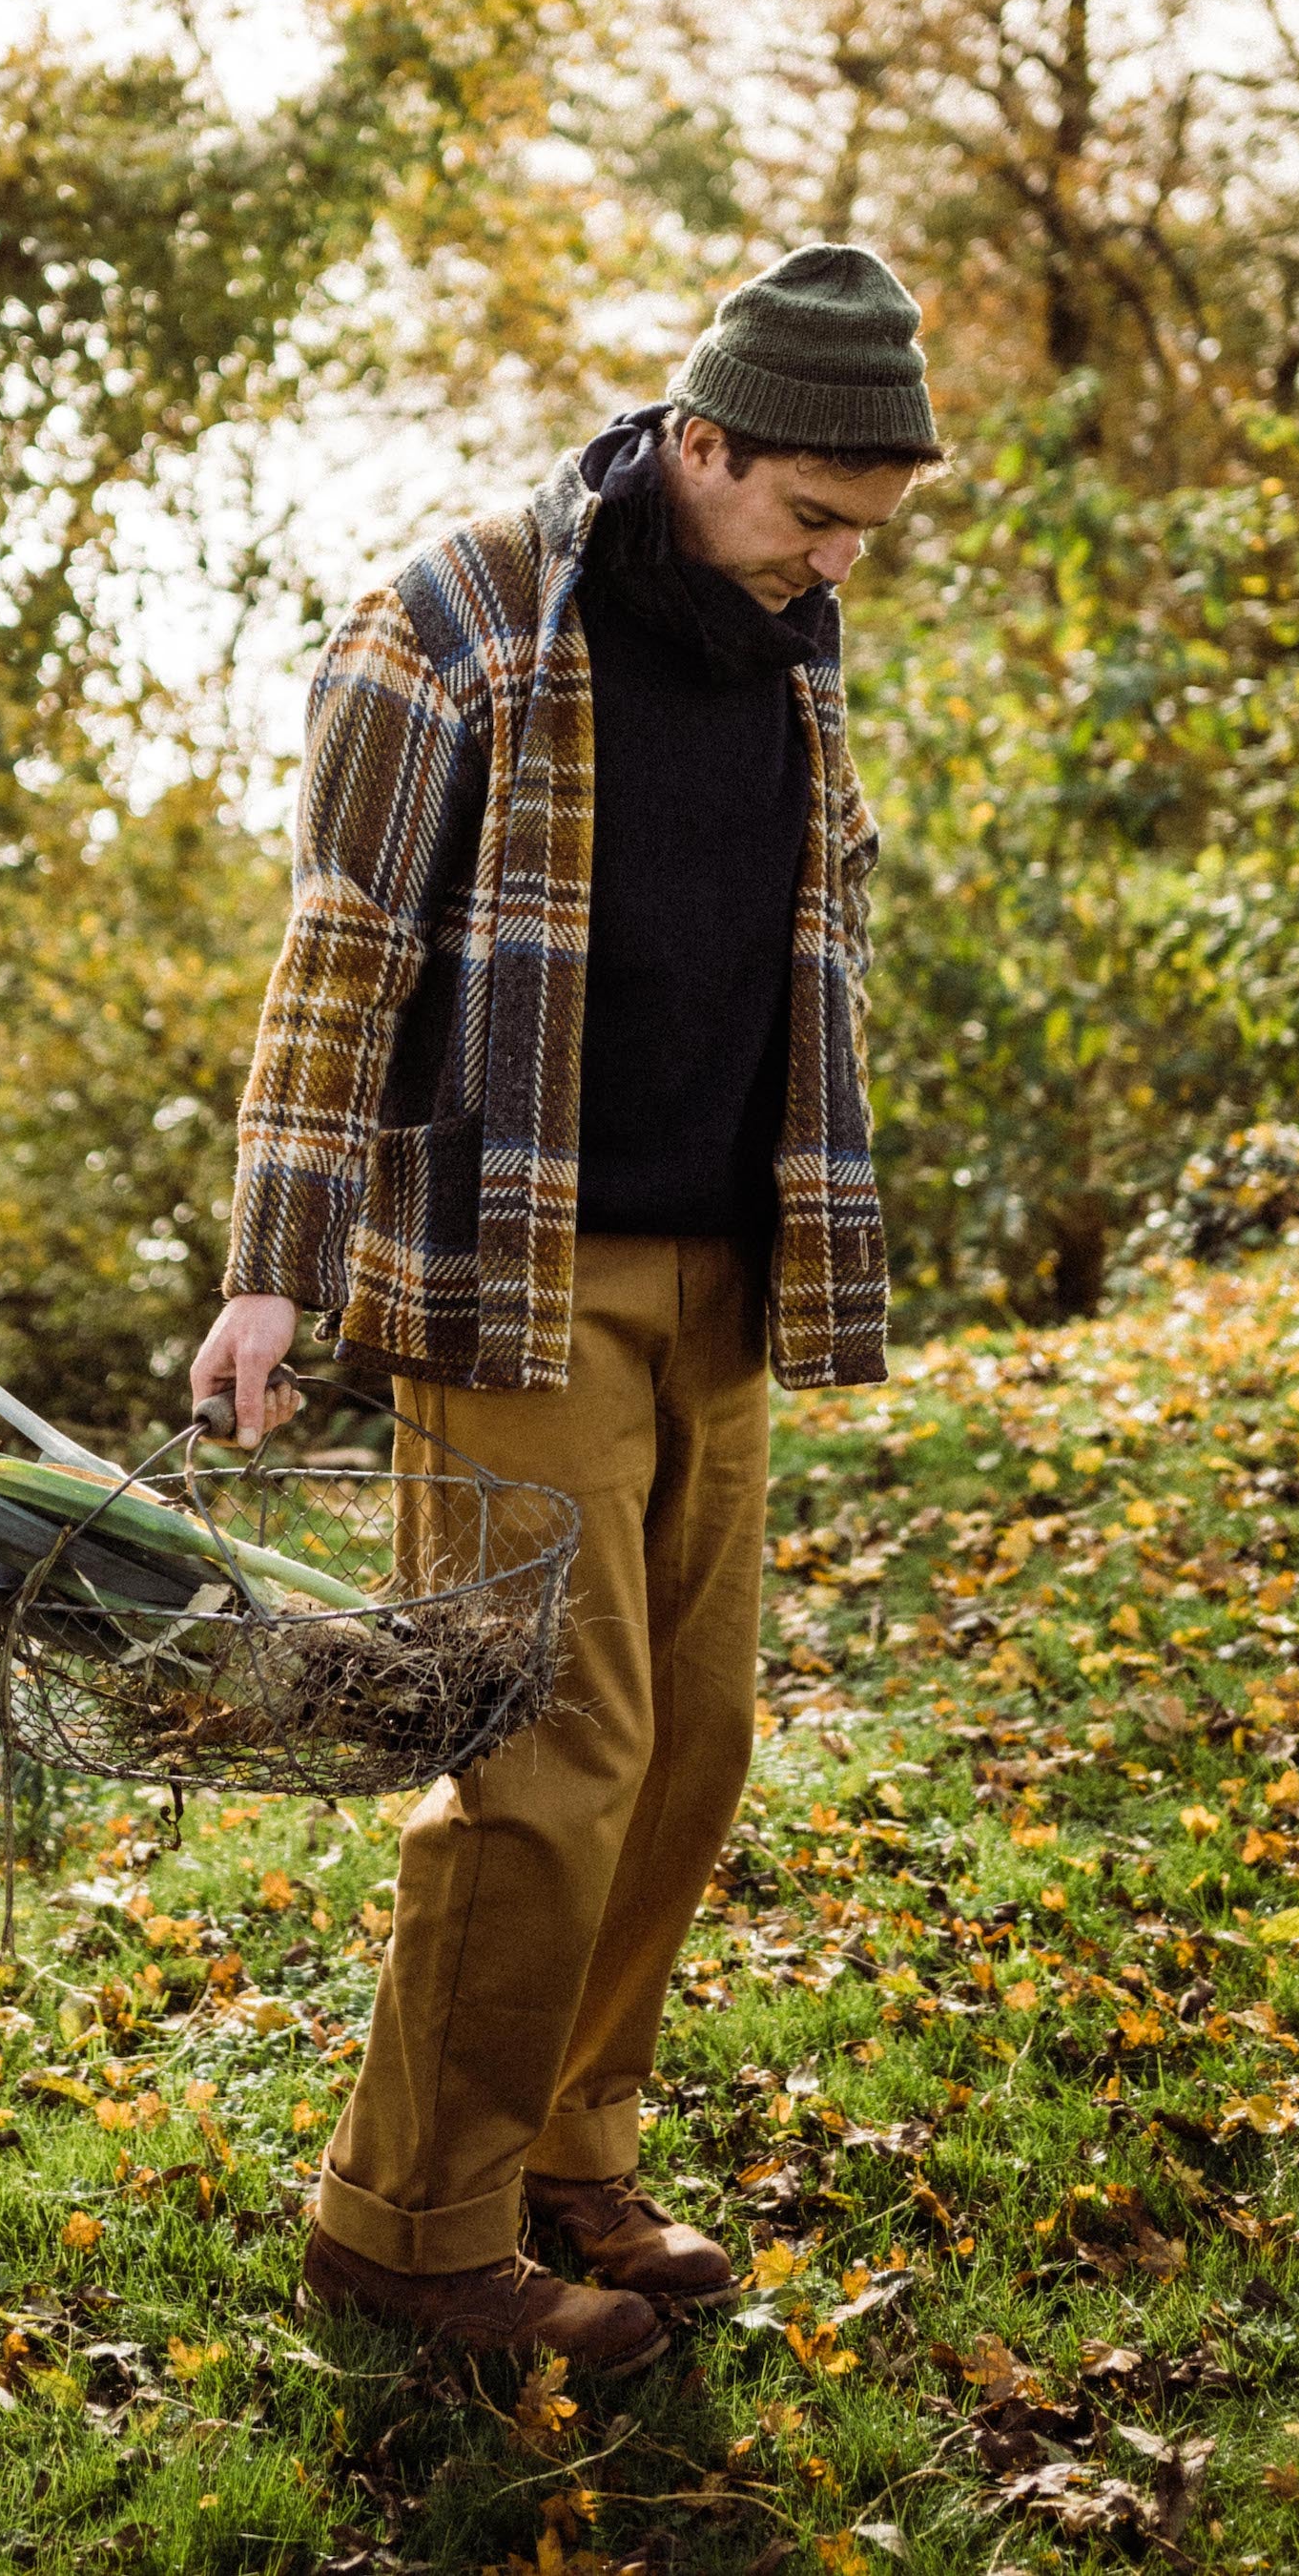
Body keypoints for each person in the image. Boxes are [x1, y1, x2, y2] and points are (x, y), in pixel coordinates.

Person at [188, 241, 943, 2375]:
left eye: (861, 534)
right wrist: (271, 1268)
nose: (827, 567)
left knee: (690, 1741)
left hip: (726, 1268)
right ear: (696, 444)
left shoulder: (794, 637)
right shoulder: (450, 622)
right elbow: (338, 953)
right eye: (805, 515)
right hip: (506, 1288)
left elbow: (817, 890)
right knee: (542, 1749)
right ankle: (406, 2232)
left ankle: (564, 2146)